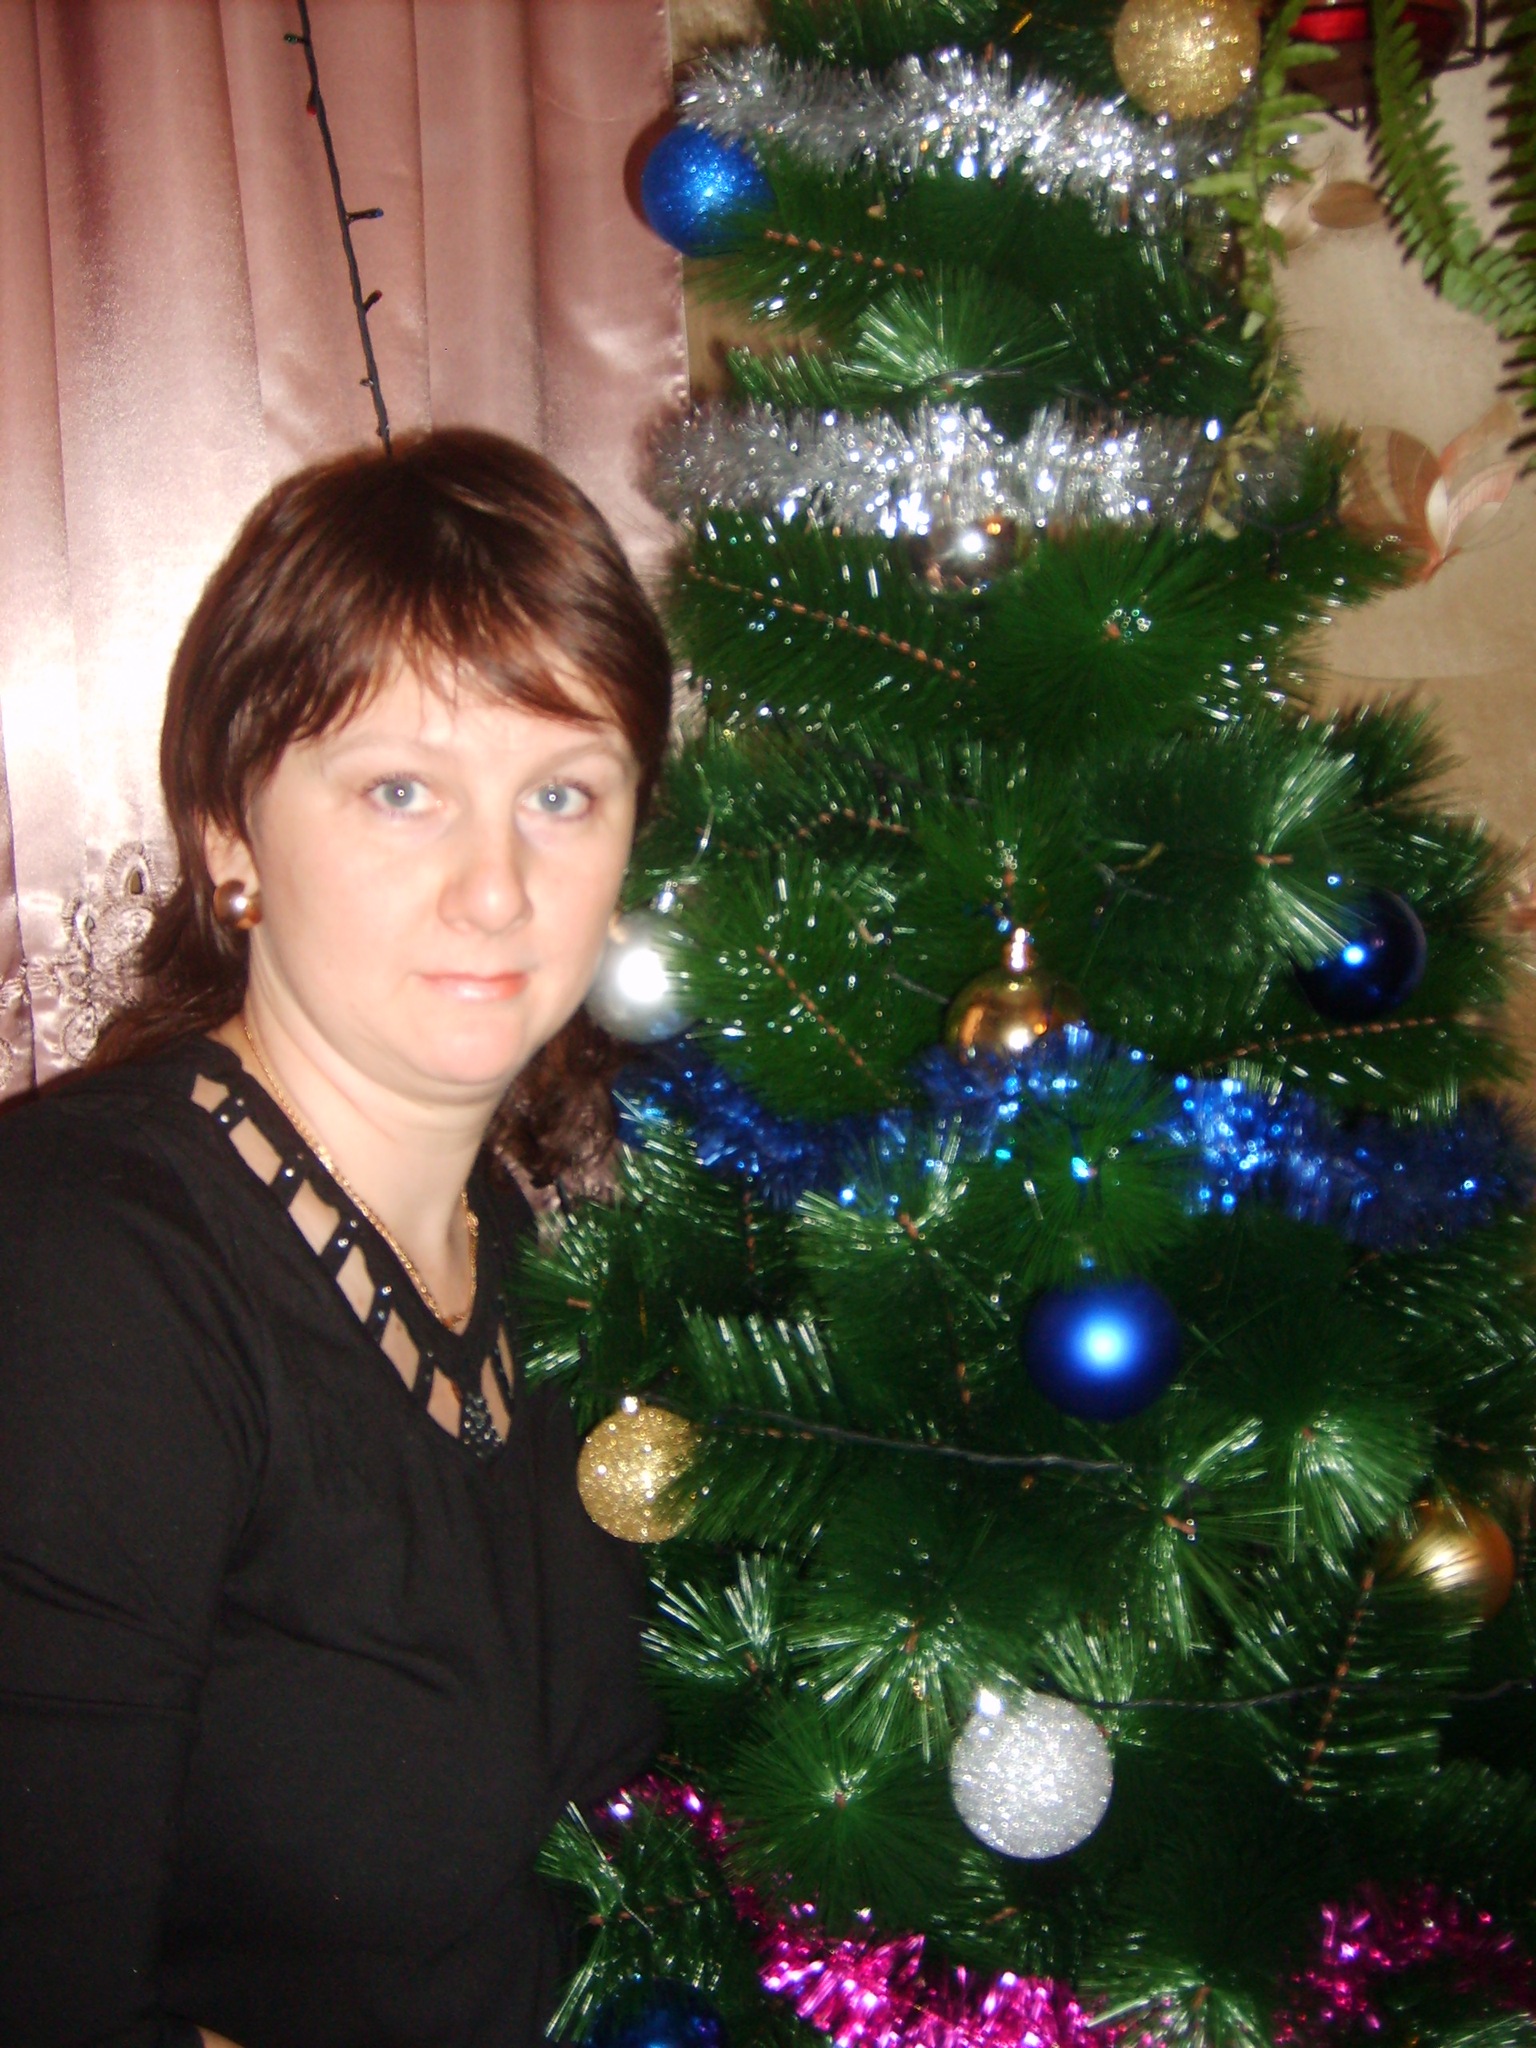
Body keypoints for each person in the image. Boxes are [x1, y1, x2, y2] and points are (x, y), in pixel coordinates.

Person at [0, 430, 673, 2048]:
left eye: (562, 794)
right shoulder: (83, 1271)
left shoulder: (535, 1257)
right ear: (230, 834)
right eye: (400, 792)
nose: (496, 889)